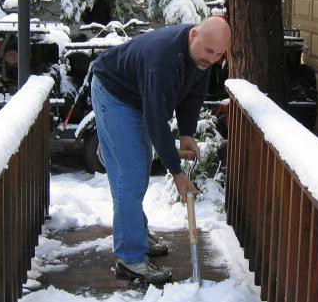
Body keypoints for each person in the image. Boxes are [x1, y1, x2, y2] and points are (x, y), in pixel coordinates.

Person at [91, 16, 231, 283]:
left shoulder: (202, 57)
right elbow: (157, 124)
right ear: (193, 36)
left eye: (219, 54)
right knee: (129, 176)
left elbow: (193, 94)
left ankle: (136, 233)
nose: (212, 59)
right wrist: (177, 173)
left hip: (138, 96)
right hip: (115, 95)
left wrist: (187, 134)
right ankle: (130, 258)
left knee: (138, 167)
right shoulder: (163, 62)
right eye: (209, 51)